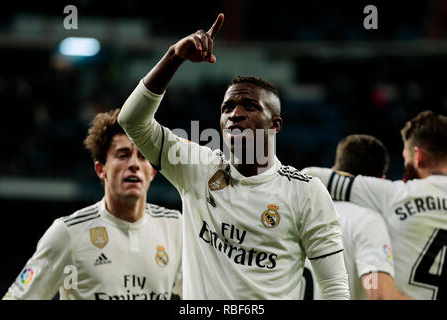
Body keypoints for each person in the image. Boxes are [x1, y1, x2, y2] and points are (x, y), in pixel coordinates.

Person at [117, 13, 349, 299]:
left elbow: (335, 288)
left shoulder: (305, 192)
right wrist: (173, 57)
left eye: (249, 106)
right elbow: (132, 122)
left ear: (275, 125)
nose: (235, 114)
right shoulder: (197, 168)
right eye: (227, 108)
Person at [3, 109, 182, 300]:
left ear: (153, 172)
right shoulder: (68, 233)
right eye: (123, 155)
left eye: (142, 156)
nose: (134, 164)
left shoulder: (175, 227)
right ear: (101, 169)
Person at [303, 110, 447, 300]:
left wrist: (366, 187)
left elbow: (309, 176)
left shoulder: (392, 194)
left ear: (418, 156)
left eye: (406, 160)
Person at [299, 134, 411, 300]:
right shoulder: (368, 221)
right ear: (381, 181)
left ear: (333, 171)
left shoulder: (297, 212)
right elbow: (378, 293)